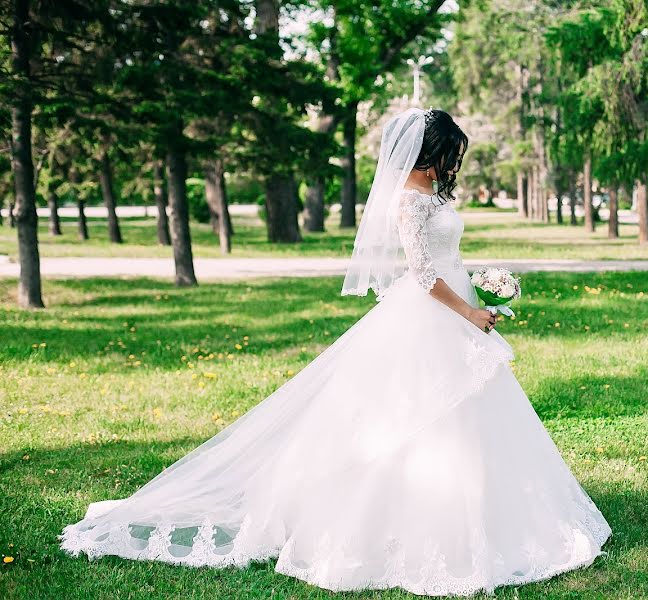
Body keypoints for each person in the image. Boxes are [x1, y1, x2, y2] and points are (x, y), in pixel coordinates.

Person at [60, 107, 611, 596]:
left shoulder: (431, 196)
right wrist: (467, 310)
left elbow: (444, 259)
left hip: (456, 306)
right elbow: (421, 274)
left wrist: (481, 286)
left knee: (473, 419)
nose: (452, 164)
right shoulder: (409, 202)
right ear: (427, 154)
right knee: (416, 421)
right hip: (434, 315)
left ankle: (497, 515)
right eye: (447, 154)